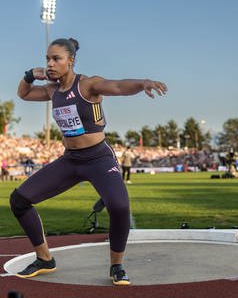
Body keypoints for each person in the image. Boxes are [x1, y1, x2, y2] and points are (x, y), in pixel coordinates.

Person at [9, 37, 167, 286]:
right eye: (47, 59)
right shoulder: (52, 90)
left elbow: (117, 86)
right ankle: (45, 259)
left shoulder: (88, 85)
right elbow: (24, 94)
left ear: (70, 61)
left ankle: (117, 265)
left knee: (119, 206)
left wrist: (143, 83)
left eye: (56, 58)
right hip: (71, 160)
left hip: (98, 158)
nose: (50, 63)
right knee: (19, 200)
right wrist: (30, 74)